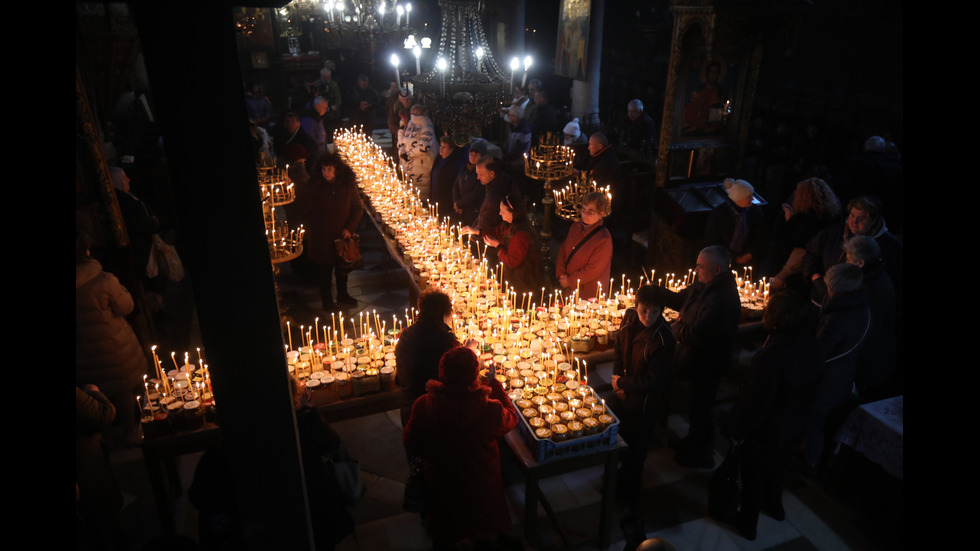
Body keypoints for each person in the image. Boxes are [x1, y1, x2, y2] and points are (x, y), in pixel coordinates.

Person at [724, 291, 822, 540]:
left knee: (753, 476)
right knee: (776, 467)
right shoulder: (809, 342)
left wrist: (737, 432)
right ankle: (775, 507)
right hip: (794, 422)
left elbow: (756, 400)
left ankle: (747, 523)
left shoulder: (773, 353)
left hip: (768, 428)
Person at [403, 347, 519, 550]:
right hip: (481, 486)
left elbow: (410, 441)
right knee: (485, 539)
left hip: (441, 484)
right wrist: (494, 383)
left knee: (447, 536)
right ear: (474, 375)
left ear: (442, 372)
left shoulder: (423, 405)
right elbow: (511, 417)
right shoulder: (489, 410)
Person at [658, 245, 741, 468]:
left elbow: (697, 334)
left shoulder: (722, 298)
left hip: (709, 361)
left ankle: (703, 454)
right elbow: (682, 299)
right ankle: (692, 441)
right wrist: (658, 294)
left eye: (700, 266)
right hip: (697, 359)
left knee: (703, 407)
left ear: (716, 269)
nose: (695, 270)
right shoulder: (706, 284)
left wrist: (673, 327)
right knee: (696, 406)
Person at [76, 231, 149, 447]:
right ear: (86, 252)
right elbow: (126, 306)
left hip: (82, 353)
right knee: (123, 391)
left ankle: (107, 438)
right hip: (113, 349)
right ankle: (130, 431)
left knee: (96, 395)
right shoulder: (104, 281)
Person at [610, 285, 675, 499]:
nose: (648, 316)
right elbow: (619, 350)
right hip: (625, 393)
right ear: (636, 306)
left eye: (655, 312)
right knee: (621, 437)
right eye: (644, 310)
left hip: (644, 403)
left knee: (637, 449)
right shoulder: (629, 319)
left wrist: (622, 383)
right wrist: (618, 380)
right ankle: (617, 476)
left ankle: (628, 491)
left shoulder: (663, 339)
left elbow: (651, 381)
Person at [804, 262, 869, 472]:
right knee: (826, 420)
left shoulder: (837, 318)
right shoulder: (863, 308)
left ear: (836, 289)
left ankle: (810, 464)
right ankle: (818, 460)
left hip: (827, 379)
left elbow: (819, 351)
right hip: (844, 375)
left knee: (815, 421)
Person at [803, 195, 903, 307]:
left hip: (853, 310)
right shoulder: (833, 233)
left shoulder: (890, 247)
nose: (854, 221)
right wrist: (815, 278)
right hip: (819, 302)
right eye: (852, 215)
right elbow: (811, 252)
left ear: (874, 220)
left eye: (862, 218)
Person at [296, 153, 363, 311]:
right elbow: (304, 206)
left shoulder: (347, 185)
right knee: (325, 272)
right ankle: (327, 301)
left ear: (337, 170)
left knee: (342, 269)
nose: (325, 173)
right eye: (323, 169)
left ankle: (342, 294)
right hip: (322, 236)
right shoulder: (314, 186)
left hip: (343, 236)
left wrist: (349, 228)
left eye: (329, 169)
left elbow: (357, 208)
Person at [394, 289, 461, 427]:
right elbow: (458, 378)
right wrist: (467, 351)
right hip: (435, 415)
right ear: (444, 314)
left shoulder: (406, 336)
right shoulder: (448, 342)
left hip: (408, 409)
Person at [843, 236, 897, 401]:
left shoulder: (871, 290)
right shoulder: (874, 277)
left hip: (870, 366)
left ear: (860, 263)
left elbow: (867, 332)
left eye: (849, 259)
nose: (846, 262)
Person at [769, 177, 842, 294]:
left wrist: (782, 274)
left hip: (798, 275)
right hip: (821, 272)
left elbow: (800, 249)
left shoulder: (807, 219)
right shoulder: (832, 217)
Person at [464, 195, 542, 298]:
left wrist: (497, 246)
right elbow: (496, 232)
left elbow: (512, 261)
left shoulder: (521, 234)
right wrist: (477, 231)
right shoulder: (508, 224)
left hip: (523, 282)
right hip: (512, 278)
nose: (500, 213)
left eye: (503, 211)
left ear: (513, 212)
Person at [556, 191, 613, 300]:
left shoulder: (603, 238)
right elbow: (563, 250)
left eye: (590, 212)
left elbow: (593, 269)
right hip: (570, 288)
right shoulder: (575, 227)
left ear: (601, 214)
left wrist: (569, 281)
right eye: (583, 210)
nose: (585, 214)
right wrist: (561, 274)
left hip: (588, 293)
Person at [704, 178, 767, 269]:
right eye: (748, 196)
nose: (752, 199)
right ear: (738, 198)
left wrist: (750, 254)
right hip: (723, 262)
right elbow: (711, 240)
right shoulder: (719, 213)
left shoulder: (755, 212)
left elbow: (761, 236)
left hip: (747, 262)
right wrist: (730, 258)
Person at [397, 103, 437, 200]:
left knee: (420, 194)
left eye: (416, 113)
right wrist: (402, 151)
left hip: (421, 167)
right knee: (410, 191)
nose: (414, 115)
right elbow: (404, 140)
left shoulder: (426, 125)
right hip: (409, 167)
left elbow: (425, 144)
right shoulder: (411, 124)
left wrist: (409, 155)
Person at [452, 139, 488, 226]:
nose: (472, 157)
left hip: (473, 212)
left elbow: (476, 193)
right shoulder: (464, 168)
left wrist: (460, 204)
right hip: (461, 210)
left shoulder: (482, 172)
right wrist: (456, 202)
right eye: (471, 154)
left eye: (476, 155)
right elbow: (456, 185)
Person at [429, 136, 465, 215]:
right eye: (441, 146)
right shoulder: (438, 160)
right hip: (434, 201)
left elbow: (456, 185)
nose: (441, 149)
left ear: (451, 149)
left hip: (445, 203)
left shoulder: (455, 164)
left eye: (444, 147)